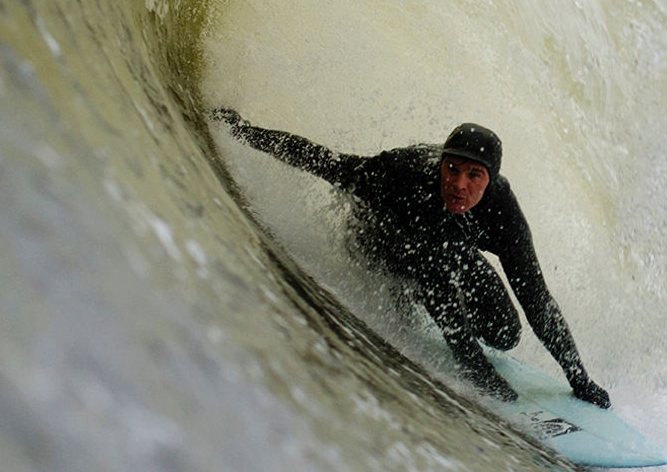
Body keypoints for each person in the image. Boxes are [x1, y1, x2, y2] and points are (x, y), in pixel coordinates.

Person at [211, 109, 611, 408]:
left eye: (474, 175)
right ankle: (412, 299)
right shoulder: (400, 174)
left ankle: (425, 300)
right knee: (427, 274)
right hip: (377, 241)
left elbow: (537, 299)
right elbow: (323, 161)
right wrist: (240, 130)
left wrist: (579, 378)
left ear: (491, 180)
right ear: (441, 163)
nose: (458, 183)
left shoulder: (502, 213)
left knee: (505, 334)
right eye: (451, 169)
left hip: (446, 248)